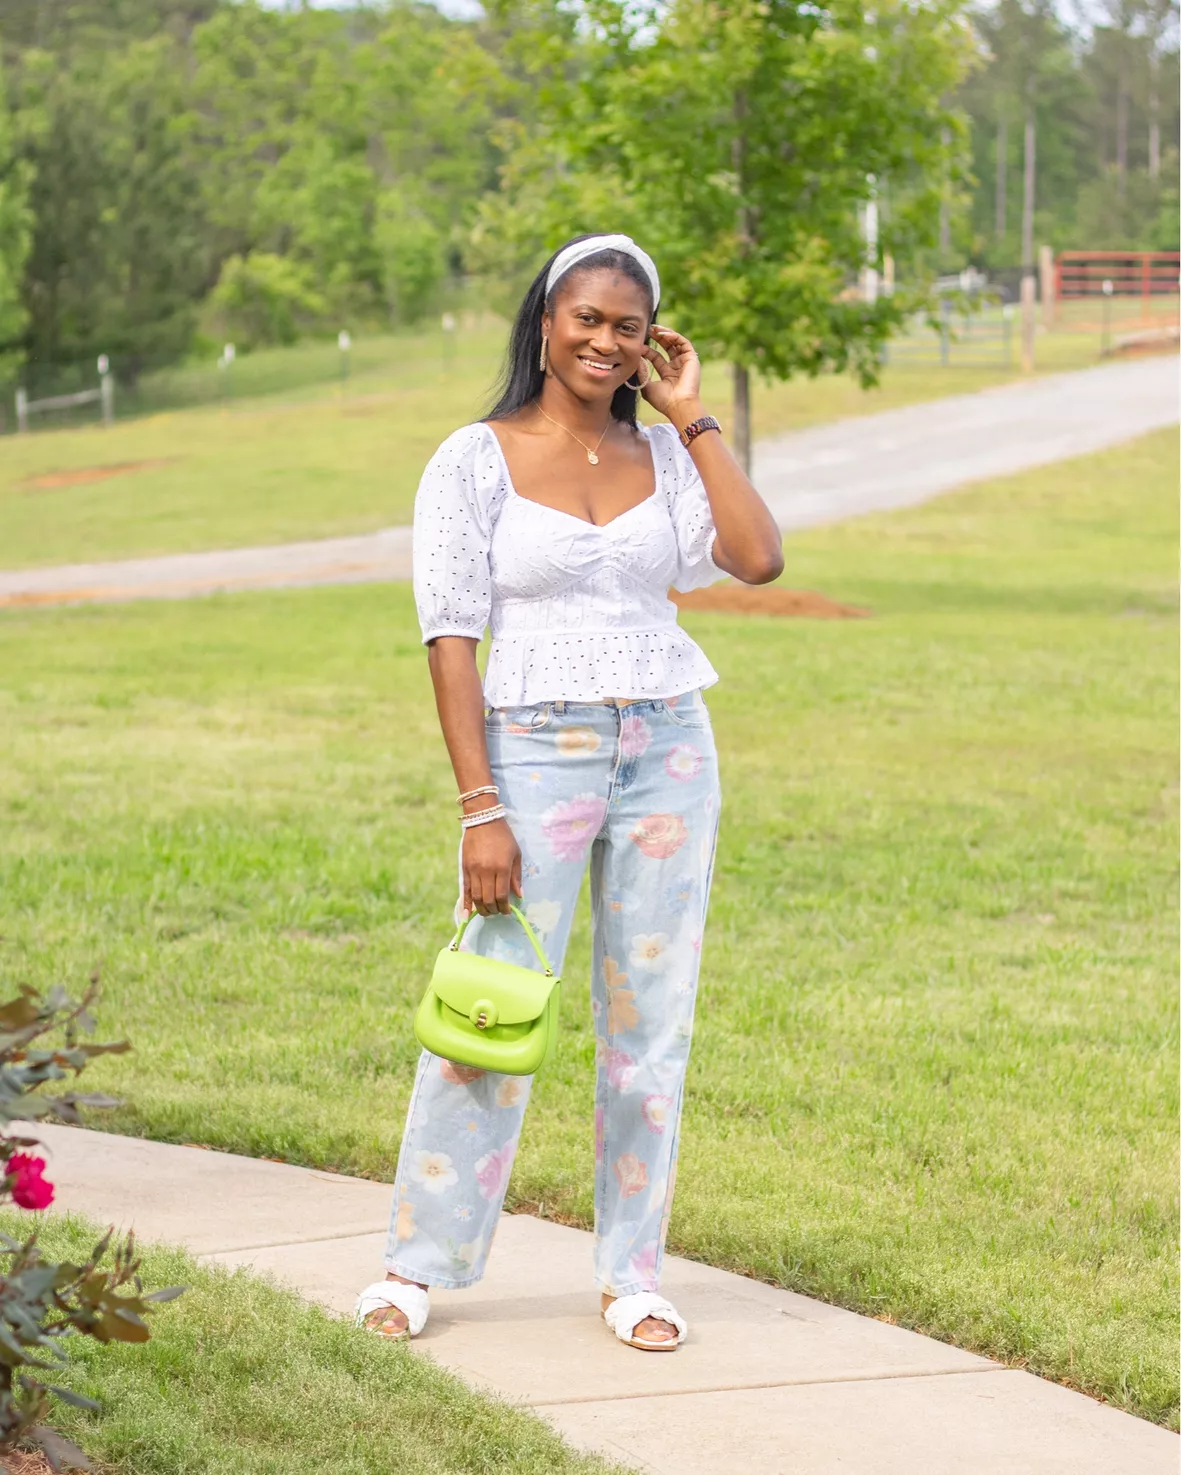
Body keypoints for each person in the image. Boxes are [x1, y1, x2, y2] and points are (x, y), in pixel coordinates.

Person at [354, 233, 783, 1352]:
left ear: (651, 342)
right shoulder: (472, 457)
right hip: (533, 751)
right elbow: (449, 635)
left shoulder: (668, 454)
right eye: (586, 318)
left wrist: (690, 413)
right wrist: (477, 805)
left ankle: (631, 1271)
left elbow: (756, 557)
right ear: (545, 320)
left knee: (651, 1027)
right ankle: (417, 1261)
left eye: (627, 326)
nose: (604, 340)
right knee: (484, 1005)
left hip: (667, 748)